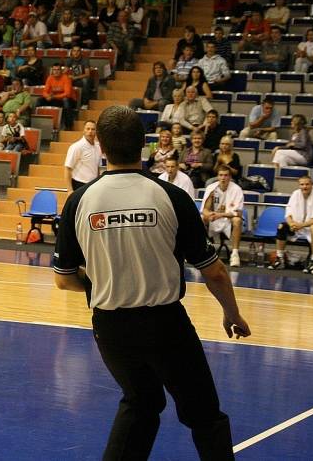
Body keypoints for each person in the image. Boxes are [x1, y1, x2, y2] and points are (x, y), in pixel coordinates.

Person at [53, 105, 249, 461]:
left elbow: (63, 279)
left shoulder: (78, 203)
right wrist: (231, 313)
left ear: (102, 148)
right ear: (143, 145)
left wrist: (101, 283)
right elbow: (214, 270)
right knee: (204, 414)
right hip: (165, 324)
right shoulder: (172, 197)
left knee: (141, 403)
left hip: (110, 327)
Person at [202, 166, 245, 267]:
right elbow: (205, 210)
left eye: (226, 175)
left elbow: (238, 213)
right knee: (201, 219)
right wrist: (209, 214)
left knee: (237, 220)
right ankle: (201, 251)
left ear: (230, 177)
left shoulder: (237, 189)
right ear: (217, 176)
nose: (223, 178)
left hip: (228, 220)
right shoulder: (211, 188)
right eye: (221, 175)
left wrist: (220, 214)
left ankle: (235, 254)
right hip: (214, 218)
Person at [65, 120, 102, 191]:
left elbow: (96, 166)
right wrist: (69, 190)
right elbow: (67, 169)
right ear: (83, 131)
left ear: (96, 132)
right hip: (79, 184)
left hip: (93, 185)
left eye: (93, 129)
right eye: (88, 129)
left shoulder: (98, 146)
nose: (90, 131)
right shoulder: (77, 147)